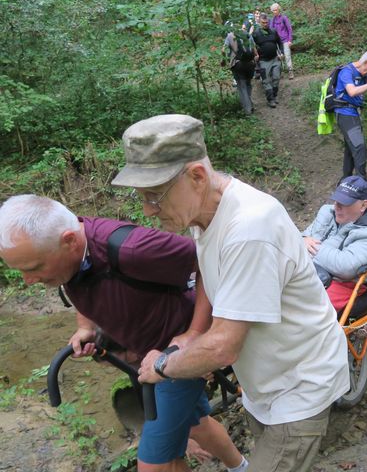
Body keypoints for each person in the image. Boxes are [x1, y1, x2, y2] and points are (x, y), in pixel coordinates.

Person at [111, 114, 350, 472]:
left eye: (154, 196)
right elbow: (209, 267)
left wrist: (162, 365)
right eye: (141, 196)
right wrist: (193, 332)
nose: (147, 210)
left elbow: (224, 346)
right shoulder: (204, 211)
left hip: (301, 385)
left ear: (197, 176)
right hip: (266, 383)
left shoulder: (250, 228)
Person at [0, 195, 247, 472]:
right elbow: (75, 283)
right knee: (197, 425)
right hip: (147, 360)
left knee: (153, 465)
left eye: (33, 268)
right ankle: (242, 467)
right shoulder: (70, 257)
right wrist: (85, 327)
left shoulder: (133, 249)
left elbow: (209, 262)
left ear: (69, 241)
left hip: (176, 356)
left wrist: (194, 334)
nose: (28, 280)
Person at [302, 176, 367, 311]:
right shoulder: (328, 212)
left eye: (345, 203)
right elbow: (301, 237)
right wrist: (301, 241)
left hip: (348, 284)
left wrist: (302, 246)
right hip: (314, 273)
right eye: (337, 200)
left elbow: (344, 267)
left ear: (363, 205)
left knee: (301, 305)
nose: (337, 206)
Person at [334, 50, 367, 178]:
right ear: (365, 62)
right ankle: (361, 181)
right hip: (344, 114)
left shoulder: (365, 76)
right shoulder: (346, 71)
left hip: (354, 114)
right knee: (359, 147)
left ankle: (345, 180)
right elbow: (352, 91)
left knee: (350, 148)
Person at [223, 25, 256, 115]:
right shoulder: (247, 34)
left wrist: (223, 61)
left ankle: (248, 109)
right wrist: (255, 59)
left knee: (242, 86)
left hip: (238, 64)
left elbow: (224, 50)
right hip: (250, 63)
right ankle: (249, 103)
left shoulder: (229, 36)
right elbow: (254, 48)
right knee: (248, 83)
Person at [252, 12, 283, 108]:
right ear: (260, 22)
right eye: (263, 23)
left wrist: (281, 52)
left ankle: (274, 96)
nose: (265, 24)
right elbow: (251, 45)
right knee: (266, 81)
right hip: (263, 61)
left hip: (275, 59)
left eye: (266, 22)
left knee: (276, 77)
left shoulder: (273, 31)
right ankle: (270, 100)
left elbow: (280, 42)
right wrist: (255, 54)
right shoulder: (256, 33)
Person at [269, 3, 294, 80]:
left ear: (278, 9)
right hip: (277, 42)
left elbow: (289, 29)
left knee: (287, 56)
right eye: (273, 10)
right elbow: (271, 30)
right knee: (279, 58)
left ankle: (290, 72)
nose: (274, 12)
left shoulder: (284, 18)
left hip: (285, 40)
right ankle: (280, 73)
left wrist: (290, 40)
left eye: (275, 10)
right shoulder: (272, 20)